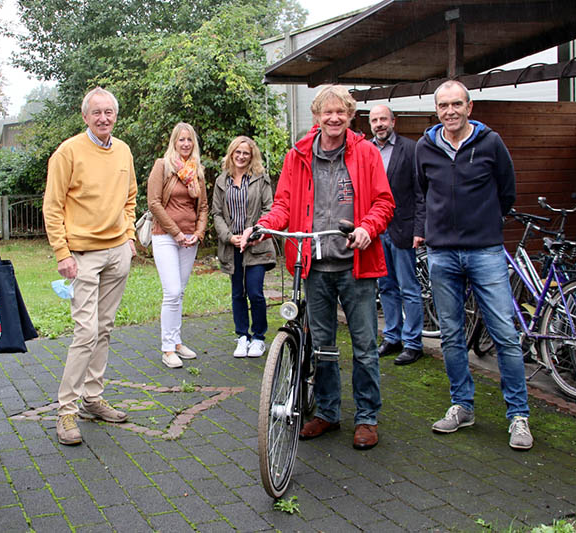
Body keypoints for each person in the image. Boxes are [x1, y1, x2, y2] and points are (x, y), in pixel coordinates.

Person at [242, 85, 394, 450]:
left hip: (355, 264)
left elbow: (384, 202)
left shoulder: (367, 153)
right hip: (313, 264)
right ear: (317, 115)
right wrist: (265, 226)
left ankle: (367, 417)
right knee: (322, 345)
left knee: (364, 346)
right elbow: (283, 205)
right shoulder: (298, 156)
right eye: (327, 112)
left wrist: (366, 229)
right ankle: (326, 411)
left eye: (340, 112)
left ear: (350, 114)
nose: (334, 118)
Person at [415, 80, 533, 450]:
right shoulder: (425, 148)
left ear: (469, 107)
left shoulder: (491, 143)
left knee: (505, 335)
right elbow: (422, 191)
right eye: (443, 105)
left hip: (485, 251)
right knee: (451, 335)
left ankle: (518, 415)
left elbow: (507, 191)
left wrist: (486, 223)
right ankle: (462, 406)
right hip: (442, 254)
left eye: (456, 104)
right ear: (436, 110)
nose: (450, 111)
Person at [43, 87, 136, 446]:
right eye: (96, 112)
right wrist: (61, 253)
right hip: (82, 256)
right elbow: (52, 205)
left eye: (109, 112)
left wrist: (129, 237)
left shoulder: (124, 151)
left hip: (117, 252)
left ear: (116, 115)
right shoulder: (68, 152)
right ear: (85, 117)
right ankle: (65, 411)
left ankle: (92, 398)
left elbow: (130, 197)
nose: (103, 118)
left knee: (105, 328)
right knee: (85, 332)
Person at [147, 123, 209, 369]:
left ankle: (177, 342)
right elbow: (153, 203)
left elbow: (202, 207)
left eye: (189, 140)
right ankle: (167, 348)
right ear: (174, 142)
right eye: (181, 140)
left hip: (189, 239)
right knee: (171, 292)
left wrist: (198, 233)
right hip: (165, 236)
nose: (185, 144)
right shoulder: (162, 167)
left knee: (179, 293)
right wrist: (175, 233)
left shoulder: (197, 171)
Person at [368, 105, 426, 366]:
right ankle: (392, 337)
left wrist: (419, 229)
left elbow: (420, 192)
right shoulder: (365, 151)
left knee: (409, 288)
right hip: (375, 231)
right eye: (374, 120)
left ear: (393, 121)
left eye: (383, 119)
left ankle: (413, 343)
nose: (379, 124)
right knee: (386, 287)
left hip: (402, 229)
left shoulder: (410, 149)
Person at [212, 136, 276, 358]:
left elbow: (270, 208)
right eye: (237, 152)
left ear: (252, 156)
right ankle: (242, 336)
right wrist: (229, 237)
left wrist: (255, 232)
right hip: (232, 247)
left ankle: (259, 337)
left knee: (255, 292)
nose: (241, 157)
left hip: (257, 245)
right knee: (238, 293)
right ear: (231, 154)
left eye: (245, 153)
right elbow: (217, 213)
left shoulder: (261, 179)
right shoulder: (222, 181)